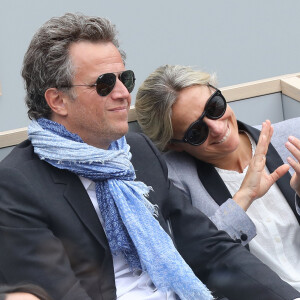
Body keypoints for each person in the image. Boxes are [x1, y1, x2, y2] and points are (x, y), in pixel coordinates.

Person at [0, 13, 299, 300]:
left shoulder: (137, 153)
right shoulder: (17, 186)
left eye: (124, 79)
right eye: (104, 84)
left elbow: (210, 249)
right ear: (58, 100)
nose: (122, 93)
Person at [135, 64, 300, 292]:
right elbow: (194, 261)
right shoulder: (173, 179)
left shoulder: (293, 136)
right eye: (196, 132)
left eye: (214, 107)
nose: (217, 127)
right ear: (174, 145)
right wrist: (243, 197)